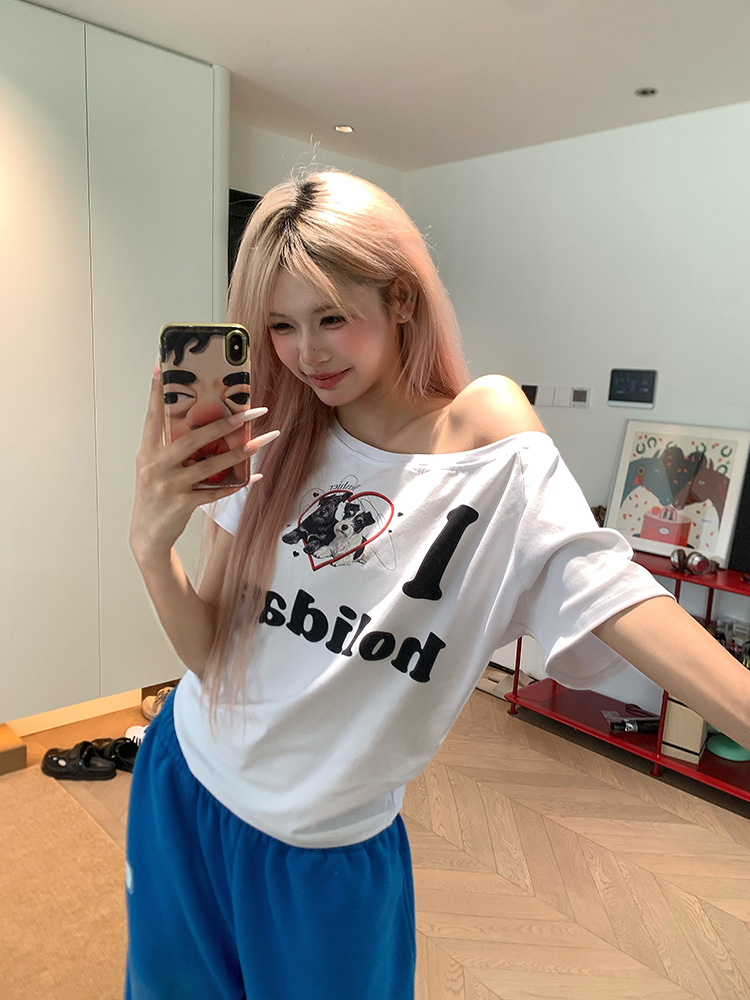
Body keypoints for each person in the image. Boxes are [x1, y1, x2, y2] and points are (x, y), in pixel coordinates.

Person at [126, 170, 750, 1000]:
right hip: (186, 782)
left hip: (325, 852)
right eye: (280, 325)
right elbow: (208, 654)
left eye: (331, 318)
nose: (306, 353)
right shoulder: (273, 441)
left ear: (401, 299)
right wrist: (150, 547)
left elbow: (609, 589)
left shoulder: (483, 431)